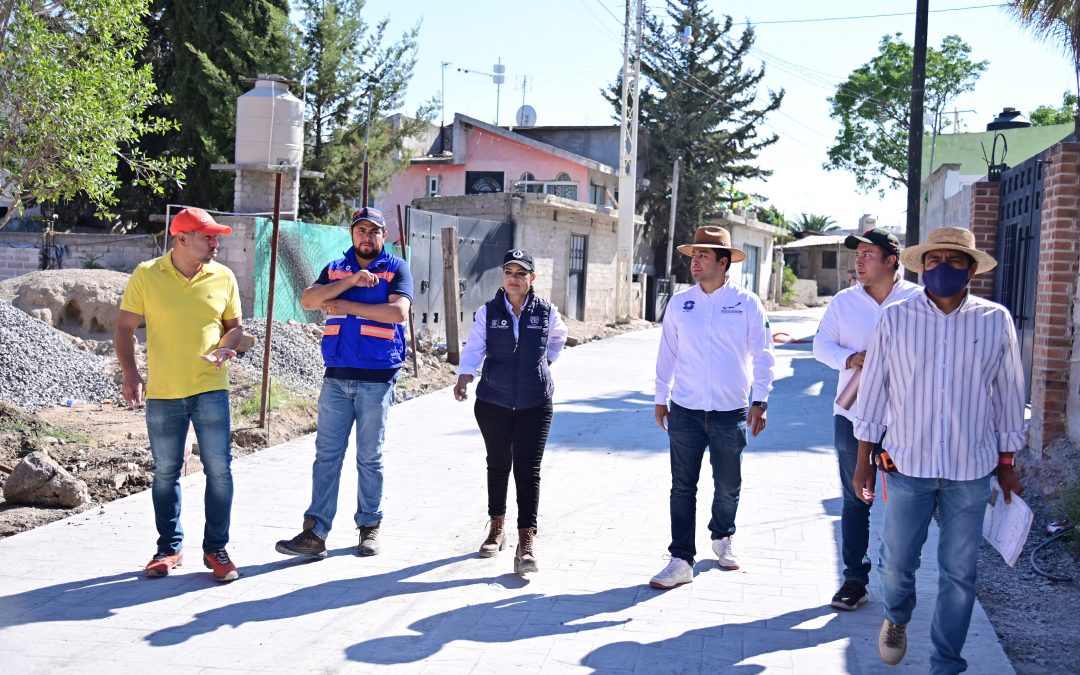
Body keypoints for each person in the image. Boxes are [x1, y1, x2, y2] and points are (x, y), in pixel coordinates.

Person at [852, 227, 1026, 673]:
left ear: (971, 268)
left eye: (953, 261)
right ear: (921, 266)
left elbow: (1008, 394)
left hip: (970, 470)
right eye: (933, 261)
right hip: (908, 464)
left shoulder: (995, 320)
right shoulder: (895, 317)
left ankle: (946, 662)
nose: (942, 269)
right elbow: (873, 393)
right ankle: (896, 617)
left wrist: (1008, 463)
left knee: (959, 574)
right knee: (897, 565)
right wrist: (863, 463)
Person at [115, 207, 244, 582]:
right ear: (182, 238)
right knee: (165, 473)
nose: (215, 244)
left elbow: (236, 328)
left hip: (211, 389)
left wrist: (226, 346)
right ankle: (169, 548)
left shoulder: (224, 277)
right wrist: (130, 372)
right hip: (164, 393)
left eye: (215, 237)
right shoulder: (146, 275)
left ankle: (216, 548)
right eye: (208, 237)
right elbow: (124, 328)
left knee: (219, 470)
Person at [275, 207, 412, 559]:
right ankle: (315, 533)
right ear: (352, 234)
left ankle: (369, 528)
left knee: (369, 457)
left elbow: (397, 313)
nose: (367, 237)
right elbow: (308, 299)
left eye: (374, 231)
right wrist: (351, 280)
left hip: (376, 378)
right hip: (336, 377)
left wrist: (346, 305)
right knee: (326, 457)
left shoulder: (396, 269)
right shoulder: (337, 268)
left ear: (384, 236)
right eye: (360, 230)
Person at [650, 226, 776, 589]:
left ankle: (723, 536)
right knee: (682, 487)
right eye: (694, 255)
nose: (696, 261)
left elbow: (764, 354)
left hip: (730, 411)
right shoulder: (680, 303)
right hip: (685, 410)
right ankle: (680, 559)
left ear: (724, 262)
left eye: (704, 255)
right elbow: (667, 353)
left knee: (727, 485)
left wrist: (760, 400)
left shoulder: (746, 303)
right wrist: (661, 396)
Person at [812, 228, 921, 610]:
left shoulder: (918, 300)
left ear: (892, 260)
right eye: (856, 254)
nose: (858, 261)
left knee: (910, 501)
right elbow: (820, 345)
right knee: (856, 498)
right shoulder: (844, 302)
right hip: (852, 416)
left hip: (906, 420)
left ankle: (900, 578)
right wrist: (849, 358)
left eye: (867, 254)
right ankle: (855, 579)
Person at [453, 249, 568, 575]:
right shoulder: (487, 312)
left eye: (521, 273)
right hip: (493, 402)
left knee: (528, 470)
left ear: (532, 278)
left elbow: (559, 337)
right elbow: (474, 347)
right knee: (498, 463)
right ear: (503, 277)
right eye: (509, 272)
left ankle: (526, 541)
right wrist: (465, 376)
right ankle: (497, 527)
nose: (514, 279)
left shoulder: (546, 312)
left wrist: (544, 362)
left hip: (535, 402)